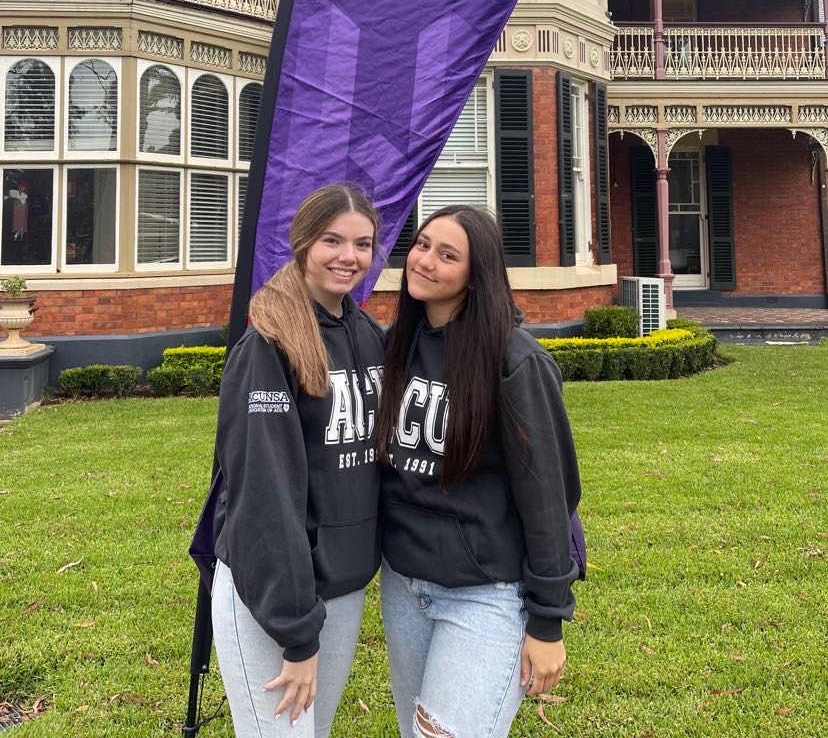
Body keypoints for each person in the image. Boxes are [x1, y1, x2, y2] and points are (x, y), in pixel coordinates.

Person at [377, 205, 581, 738]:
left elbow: (548, 499)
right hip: (403, 583)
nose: (425, 261)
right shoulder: (398, 344)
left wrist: (547, 620)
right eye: (422, 245)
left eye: (448, 255)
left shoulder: (515, 362)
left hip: (485, 592)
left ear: (476, 275)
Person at [210, 184, 384, 737]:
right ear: (304, 241)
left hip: (343, 586)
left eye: (362, 244)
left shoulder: (368, 336)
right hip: (273, 597)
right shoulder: (269, 343)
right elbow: (264, 494)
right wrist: (296, 630)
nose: (347, 257)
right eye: (332, 240)